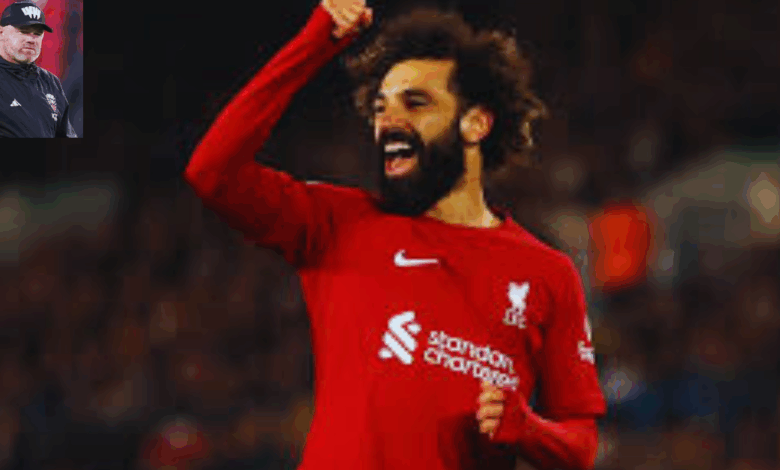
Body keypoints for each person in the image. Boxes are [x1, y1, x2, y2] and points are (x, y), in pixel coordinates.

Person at [184, 0, 605, 468]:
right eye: (380, 108)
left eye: (416, 103)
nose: (388, 122)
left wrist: (528, 429)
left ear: (475, 123)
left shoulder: (548, 273)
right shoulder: (339, 224)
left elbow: (581, 444)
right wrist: (314, 43)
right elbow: (213, 171)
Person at [0, 1, 77, 137]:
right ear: (1, 32)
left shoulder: (50, 82)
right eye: (24, 31)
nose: (32, 39)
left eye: (37, 33)